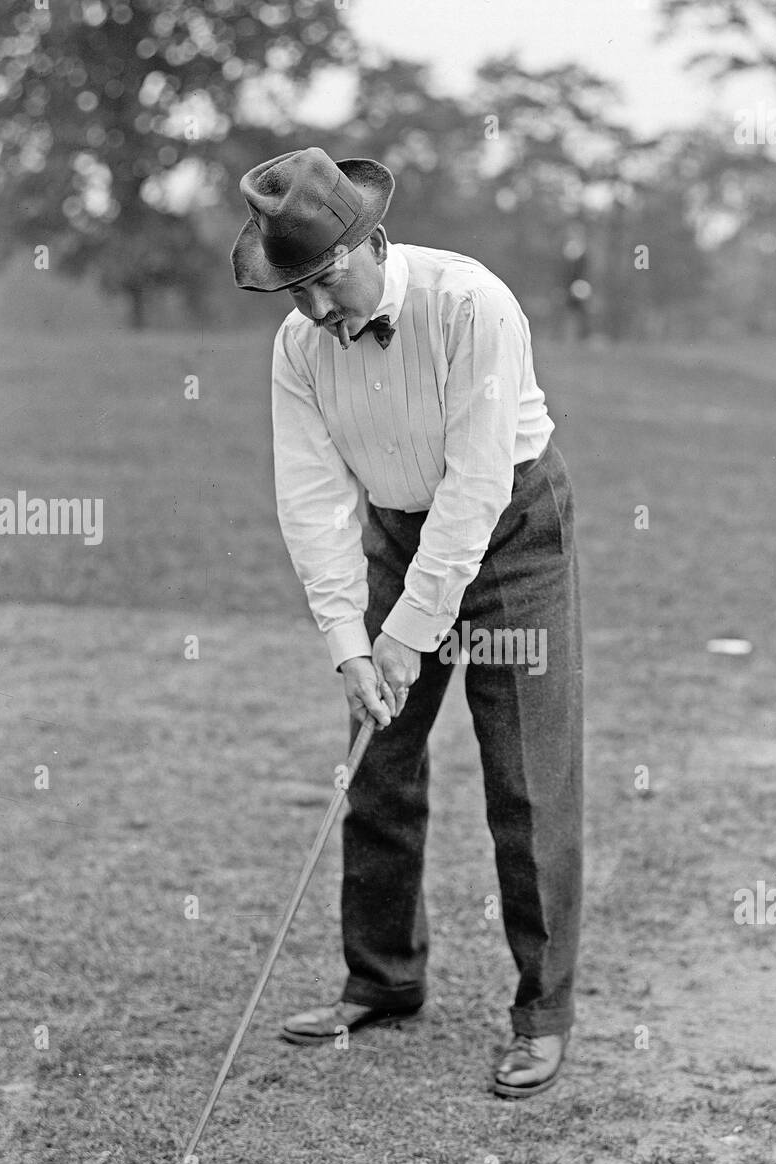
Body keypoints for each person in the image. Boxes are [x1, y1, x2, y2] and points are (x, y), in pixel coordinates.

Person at [231, 147, 583, 1098]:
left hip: (512, 528)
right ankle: (383, 979)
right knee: (376, 757)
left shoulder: (474, 306)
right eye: (293, 288)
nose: (313, 309)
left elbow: (475, 488)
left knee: (526, 776)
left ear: (373, 240)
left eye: (326, 278)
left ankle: (542, 1012)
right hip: (394, 526)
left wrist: (409, 632)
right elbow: (311, 500)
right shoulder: (300, 346)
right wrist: (351, 642)